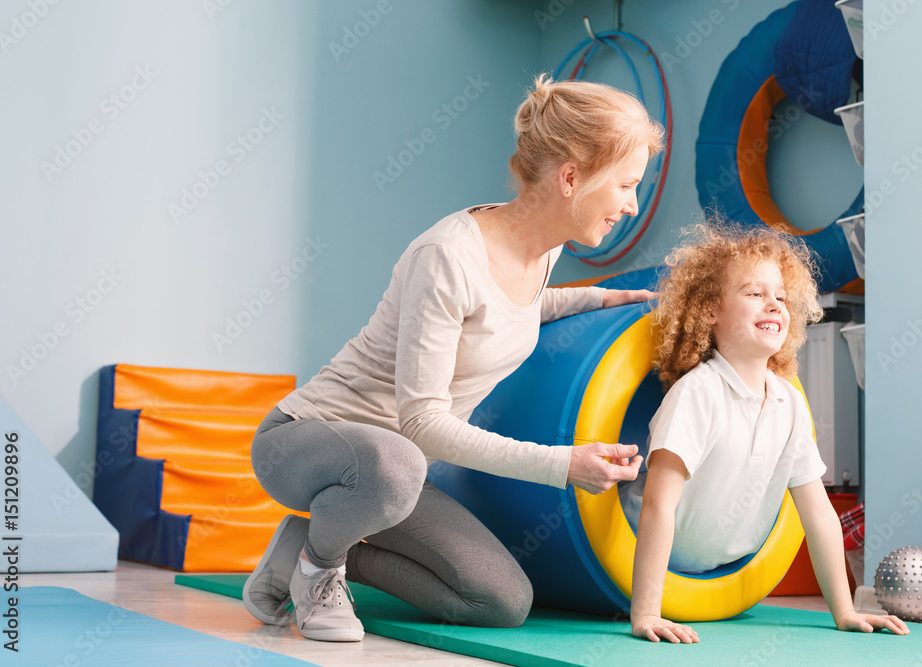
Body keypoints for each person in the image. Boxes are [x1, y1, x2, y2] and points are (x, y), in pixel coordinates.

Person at [242, 74, 663, 642]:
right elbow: (424, 425)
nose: (633, 205)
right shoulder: (447, 256)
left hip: (392, 474)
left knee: (499, 600)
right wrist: (563, 465)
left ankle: (309, 547)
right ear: (571, 177)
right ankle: (320, 573)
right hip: (305, 442)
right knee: (400, 461)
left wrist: (596, 297)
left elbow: (500, 310)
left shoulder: (544, 247)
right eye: (626, 185)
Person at [628, 223, 910, 643]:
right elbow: (657, 506)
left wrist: (846, 609)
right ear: (710, 309)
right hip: (651, 551)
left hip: (723, 568)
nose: (774, 305)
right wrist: (647, 612)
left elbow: (818, 514)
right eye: (755, 294)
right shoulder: (697, 393)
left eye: (780, 296)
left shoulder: (789, 403)